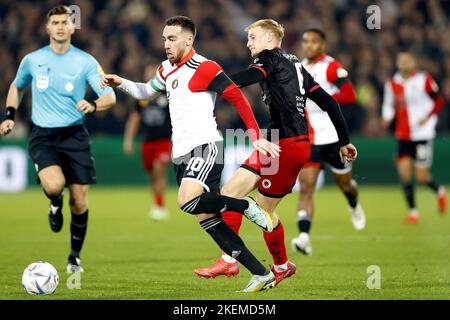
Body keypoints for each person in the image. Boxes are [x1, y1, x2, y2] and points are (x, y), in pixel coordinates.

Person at [101, 16, 282, 292]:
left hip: (206, 146)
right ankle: (260, 273)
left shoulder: (205, 67)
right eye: (164, 39)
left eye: (172, 39)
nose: (166, 44)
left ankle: (245, 206)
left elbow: (236, 96)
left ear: (189, 40)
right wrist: (120, 83)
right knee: (209, 220)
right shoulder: (166, 70)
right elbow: (146, 92)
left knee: (186, 201)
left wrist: (255, 136)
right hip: (181, 154)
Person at [194, 19, 357, 286]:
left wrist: (214, 82)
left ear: (271, 38)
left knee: (263, 212)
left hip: (290, 145)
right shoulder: (296, 65)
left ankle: (264, 263)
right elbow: (328, 102)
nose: (249, 43)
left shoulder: (269, 58)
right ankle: (235, 260)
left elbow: (251, 77)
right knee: (231, 194)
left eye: (253, 37)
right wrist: (345, 141)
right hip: (275, 141)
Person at [0, 5, 116, 272]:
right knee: (54, 187)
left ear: (72, 27)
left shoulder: (85, 61)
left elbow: (109, 96)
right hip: (44, 135)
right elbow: (16, 86)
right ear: (48, 28)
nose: (61, 26)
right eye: (56, 22)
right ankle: (54, 204)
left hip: (75, 135)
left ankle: (74, 257)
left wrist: (93, 105)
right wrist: (9, 115)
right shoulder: (32, 59)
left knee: (79, 200)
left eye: (65, 21)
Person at [291, 29, 366, 257]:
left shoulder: (332, 66)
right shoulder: (298, 68)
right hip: (310, 140)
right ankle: (304, 237)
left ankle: (353, 203)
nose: (309, 45)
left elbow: (350, 94)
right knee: (306, 188)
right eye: (305, 41)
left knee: (346, 185)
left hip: (335, 139)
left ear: (323, 45)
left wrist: (322, 99)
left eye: (314, 41)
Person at [382, 50, 447, 223]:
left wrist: (427, 117)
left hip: (422, 134)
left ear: (414, 63)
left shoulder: (423, 79)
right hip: (403, 135)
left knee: (422, 177)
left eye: (408, 60)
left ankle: (439, 190)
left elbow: (439, 100)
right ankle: (413, 212)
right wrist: (387, 116)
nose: (404, 63)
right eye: (401, 60)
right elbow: (388, 104)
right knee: (404, 174)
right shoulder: (392, 83)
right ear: (397, 63)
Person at [123, 65, 172, 221]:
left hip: (164, 141)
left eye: (153, 74)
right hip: (147, 141)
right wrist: (128, 140)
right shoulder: (142, 97)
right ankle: (156, 203)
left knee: (159, 168)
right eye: (148, 73)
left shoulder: (168, 94)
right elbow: (135, 119)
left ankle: (160, 205)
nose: (151, 76)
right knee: (152, 174)